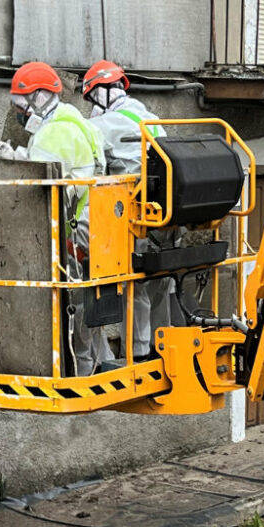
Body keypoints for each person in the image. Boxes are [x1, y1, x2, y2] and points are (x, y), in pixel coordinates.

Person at [0, 61, 114, 375]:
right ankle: (92, 362)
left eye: (21, 104)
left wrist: (12, 161)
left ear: (39, 98)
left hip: (75, 225)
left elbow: (40, 180)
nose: (19, 112)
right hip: (93, 218)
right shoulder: (72, 120)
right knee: (90, 295)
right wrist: (21, 154)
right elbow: (56, 164)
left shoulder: (54, 133)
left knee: (74, 298)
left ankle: (81, 368)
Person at [83, 60, 175, 361]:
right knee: (159, 281)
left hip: (135, 210)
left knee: (135, 283)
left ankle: (138, 353)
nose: (92, 105)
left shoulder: (105, 124)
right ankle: (164, 347)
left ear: (105, 91)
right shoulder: (146, 114)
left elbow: (89, 158)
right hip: (165, 208)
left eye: (93, 97)